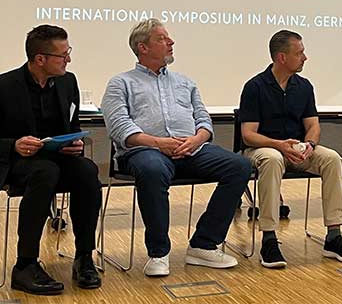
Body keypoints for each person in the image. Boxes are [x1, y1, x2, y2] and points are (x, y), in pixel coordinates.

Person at [101, 19, 251, 276]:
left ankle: (203, 245)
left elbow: (204, 120)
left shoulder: (185, 82)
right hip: (144, 151)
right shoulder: (121, 83)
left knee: (239, 166)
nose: (171, 42)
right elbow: (119, 127)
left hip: (190, 148)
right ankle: (158, 253)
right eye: (162, 39)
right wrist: (159, 143)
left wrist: (196, 139)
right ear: (142, 47)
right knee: (153, 169)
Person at [0, 25, 101, 295]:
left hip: (56, 159)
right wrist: (13, 145)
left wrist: (73, 142)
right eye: (63, 55)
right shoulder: (0, 87)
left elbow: (71, 126)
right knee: (44, 172)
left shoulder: (67, 82)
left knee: (87, 170)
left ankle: (84, 256)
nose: (69, 60)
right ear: (40, 59)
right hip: (16, 163)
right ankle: (25, 264)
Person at [239, 30, 342, 268]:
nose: (305, 57)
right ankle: (269, 238)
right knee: (273, 159)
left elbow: (313, 125)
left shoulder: (304, 87)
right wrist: (278, 144)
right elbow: (248, 135)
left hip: (297, 148)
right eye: (300, 53)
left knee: (332, 159)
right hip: (264, 148)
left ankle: (334, 235)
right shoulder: (255, 87)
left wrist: (310, 145)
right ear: (282, 57)